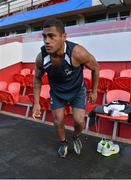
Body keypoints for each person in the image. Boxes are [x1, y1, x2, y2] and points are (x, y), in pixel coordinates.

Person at [32, 18, 99, 158]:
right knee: (57, 120)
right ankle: (63, 142)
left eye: (51, 36)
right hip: (57, 93)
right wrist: (37, 103)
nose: (46, 41)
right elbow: (37, 79)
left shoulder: (77, 53)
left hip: (77, 91)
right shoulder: (41, 58)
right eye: (44, 36)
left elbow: (95, 67)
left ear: (64, 37)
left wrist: (94, 90)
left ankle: (75, 137)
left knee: (79, 121)